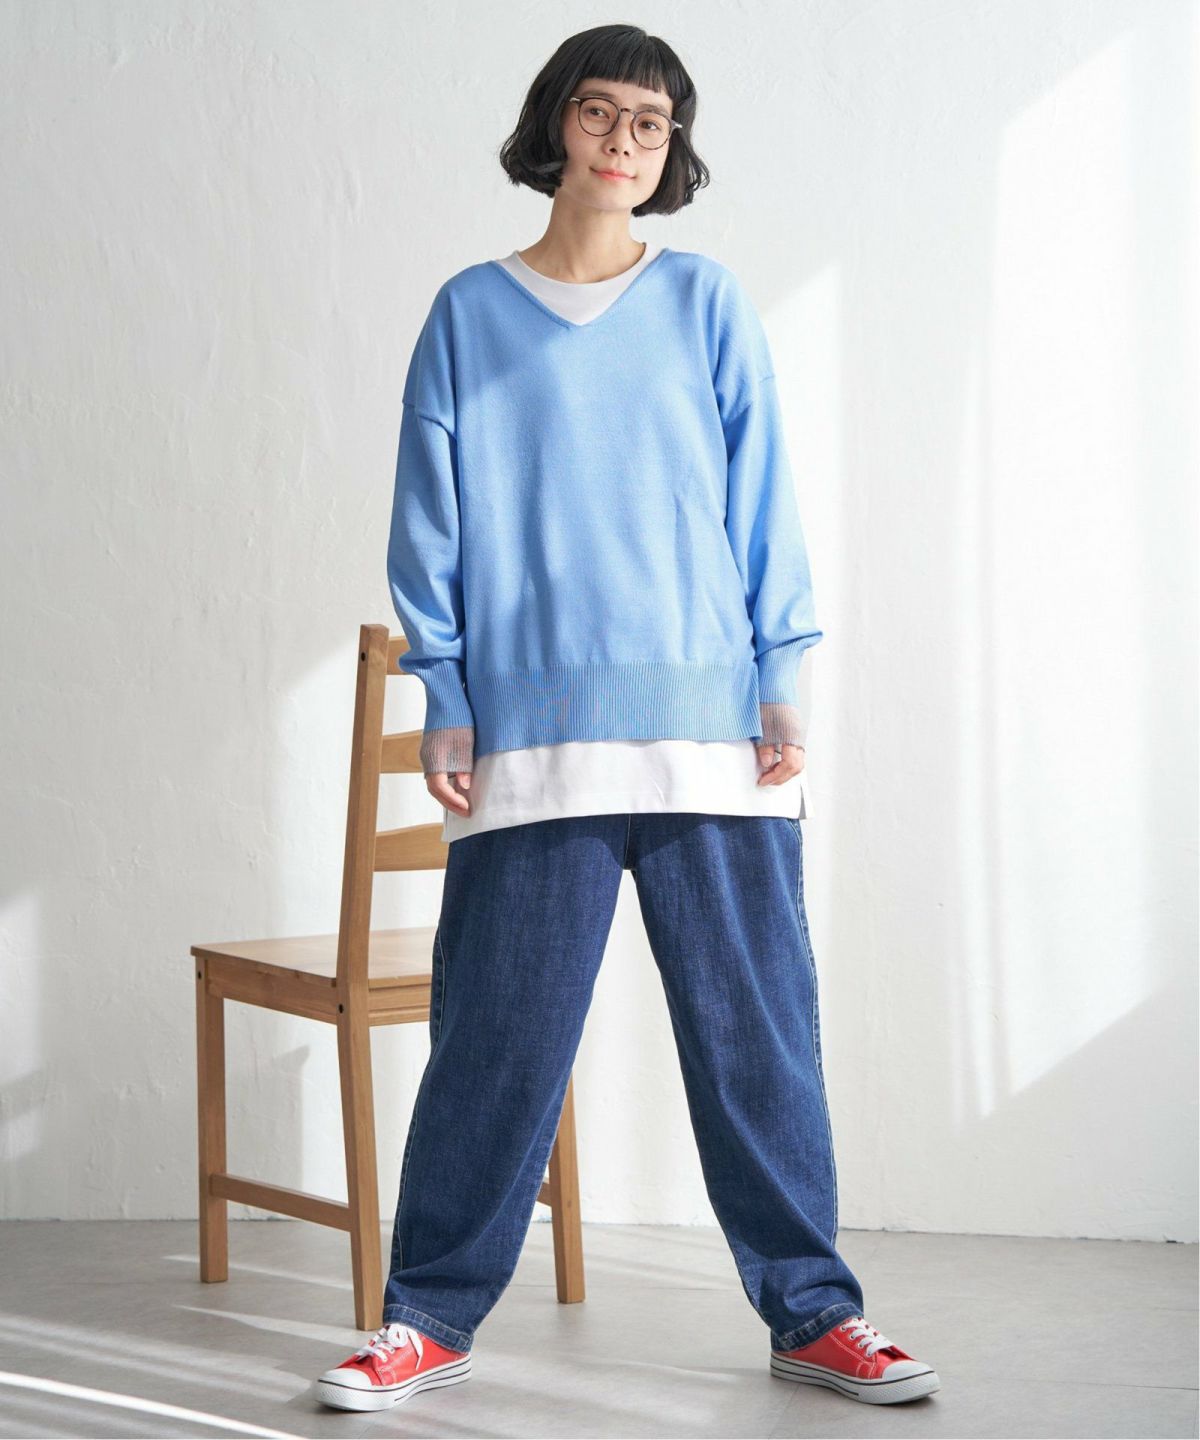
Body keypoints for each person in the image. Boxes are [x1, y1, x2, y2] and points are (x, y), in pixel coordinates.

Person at [315, 23, 940, 1415]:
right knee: (496, 1041)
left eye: (650, 124)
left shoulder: (707, 302)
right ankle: (426, 1318)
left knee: (755, 1040)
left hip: (711, 732)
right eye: (600, 112)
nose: (623, 140)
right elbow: (429, 525)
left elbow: (762, 499)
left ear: (672, 151)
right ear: (556, 123)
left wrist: (781, 678)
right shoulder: (469, 313)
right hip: (533, 736)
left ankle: (817, 1312)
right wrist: (447, 696)